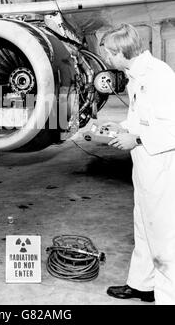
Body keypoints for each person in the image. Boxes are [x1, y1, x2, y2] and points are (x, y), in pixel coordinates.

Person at [100, 23, 175, 305]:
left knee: (164, 234)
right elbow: (141, 119)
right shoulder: (135, 75)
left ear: (122, 51)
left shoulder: (159, 76)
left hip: (161, 165)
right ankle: (142, 284)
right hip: (144, 167)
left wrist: (138, 140)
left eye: (109, 52)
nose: (106, 57)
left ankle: (168, 297)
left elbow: (172, 129)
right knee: (143, 225)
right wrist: (118, 126)